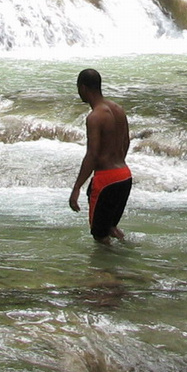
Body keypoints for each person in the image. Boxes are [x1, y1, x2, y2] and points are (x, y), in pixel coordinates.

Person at [68, 67, 132, 243]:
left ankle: (105, 270)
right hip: (125, 176)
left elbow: (92, 155)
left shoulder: (95, 117)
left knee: (99, 236)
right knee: (110, 227)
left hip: (106, 180)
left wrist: (76, 188)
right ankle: (128, 259)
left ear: (83, 88)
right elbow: (126, 142)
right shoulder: (118, 109)